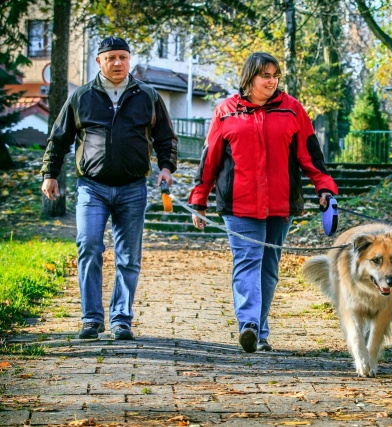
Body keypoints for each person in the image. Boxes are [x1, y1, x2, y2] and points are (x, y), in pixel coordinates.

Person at [188, 52, 338, 353]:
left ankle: (260, 330)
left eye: (275, 75)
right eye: (265, 75)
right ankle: (250, 325)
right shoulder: (226, 111)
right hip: (238, 205)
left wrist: (324, 187)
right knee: (247, 263)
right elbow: (210, 160)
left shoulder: (292, 109)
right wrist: (199, 199)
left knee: (268, 269)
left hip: (280, 205)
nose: (272, 81)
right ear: (249, 78)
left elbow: (310, 155)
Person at [41, 36, 178, 340]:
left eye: (123, 57)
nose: (118, 63)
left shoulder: (148, 95)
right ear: (99, 61)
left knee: (128, 256)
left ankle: (121, 319)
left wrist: (166, 167)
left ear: (129, 60)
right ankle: (91, 318)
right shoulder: (82, 97)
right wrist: (50, 173)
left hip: (133, 187)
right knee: (89, 246)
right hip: (92, 188)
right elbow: (59, 138)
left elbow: (165, 137)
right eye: (111, 57)